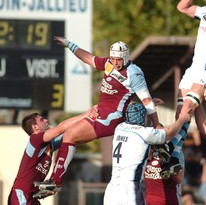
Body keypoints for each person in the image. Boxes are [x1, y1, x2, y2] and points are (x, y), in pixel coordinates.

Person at [35, 36, 160, 193]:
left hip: (112, 117)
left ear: (126, 57)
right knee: (58, 138)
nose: (115, 62)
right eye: (113, 58)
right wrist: (69, 44)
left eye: (119, 59)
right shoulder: (108, 63)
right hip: (100, 111)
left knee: (69, 135)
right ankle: (46, 176)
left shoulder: (134, 74)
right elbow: (88, 58)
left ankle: (56, 182)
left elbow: (147, 101)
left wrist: (157, 124)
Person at [103, 103, 190, 205]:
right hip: (129, 188)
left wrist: (147, 110)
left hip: (112, 188)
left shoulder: (120, 128)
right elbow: (170, 134)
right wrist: (182, 120)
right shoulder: (145, 134)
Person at [8, 107, 95, 204]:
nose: (46, 120)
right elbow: (60, 129)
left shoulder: (48, 145)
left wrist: (91, 121)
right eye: (41, 120)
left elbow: (69, 133)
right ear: (35, 127)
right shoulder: (35, 139)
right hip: (21, 195)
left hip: (32, 196)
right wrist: (86, 115)